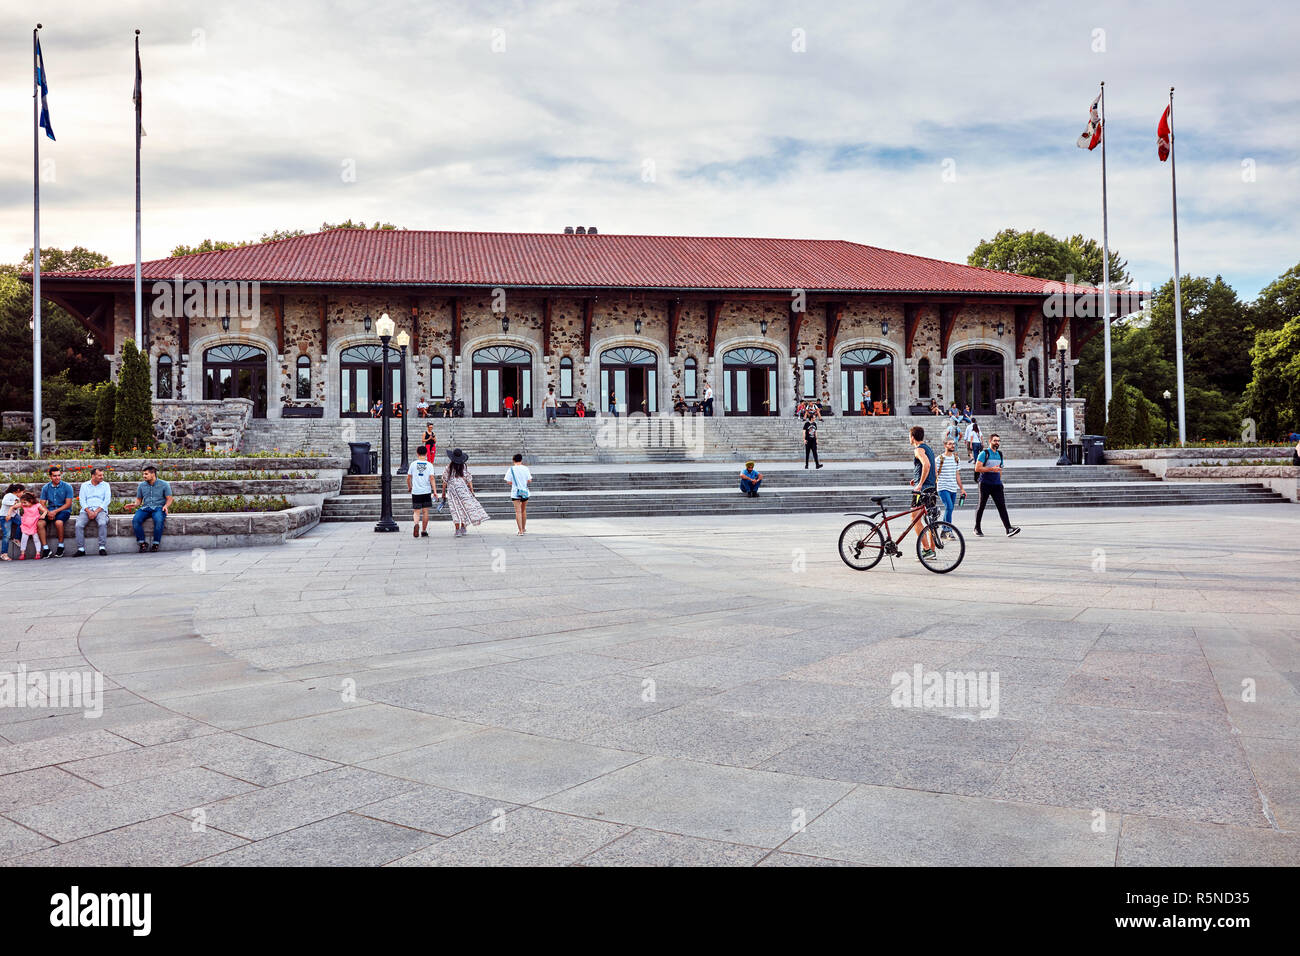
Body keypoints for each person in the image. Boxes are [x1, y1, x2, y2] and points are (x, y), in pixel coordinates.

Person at [974, 433, 1021, 538]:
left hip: (997, 484)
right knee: (981, 506)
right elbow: (977, 468)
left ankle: (1008, 528)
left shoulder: (1000, 454)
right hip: (985, 483)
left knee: (1002, 507)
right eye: (995, 441)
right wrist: (991, 469)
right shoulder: (984, 453)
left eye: (998, 441)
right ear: (990, 441)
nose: (997, 443)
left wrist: (1000, 481)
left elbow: (1000, 469)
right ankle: (977, 528)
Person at [440, 448, 489, 537]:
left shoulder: (448, 467)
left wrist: (443, 493)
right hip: (463, 489)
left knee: (455, 509)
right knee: (464, 508)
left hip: (452, 491)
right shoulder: (464, 466)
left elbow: (444, 481)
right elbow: (468, 478)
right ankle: (463, 527)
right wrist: (472, 490)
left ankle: (457, 529)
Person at [908, 426, 939, 559]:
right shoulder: (929, 449)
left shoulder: (918, 449)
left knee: (915, 518)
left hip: (922, 490)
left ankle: (926, 550)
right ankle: (932, 550)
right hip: (931, 487)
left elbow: (927, 465)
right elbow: (935, 470)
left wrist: (920, 484)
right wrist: (916, 479)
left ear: (912, 437)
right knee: (931, 519)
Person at [129, 465, 173, 553]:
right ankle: (142, 543)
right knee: (136, 520)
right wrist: (134, 505)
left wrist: (166, 506)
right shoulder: (141, 486)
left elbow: (169, 498)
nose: (144, 476)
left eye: (146, 474)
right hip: (146, 507)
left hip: (159, 508)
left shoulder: (164, 484)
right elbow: (139, 501)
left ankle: (155, 544)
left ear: (153, 474)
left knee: (159, 520)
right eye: (143, 474)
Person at [74, 467, 112, 557]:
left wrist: (96, 511)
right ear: (93, 476)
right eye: (99, 475)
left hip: (101, 510)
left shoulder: (105, 485)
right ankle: (81, 549)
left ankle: (102, 547)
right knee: (78, 525)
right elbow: (82, 500)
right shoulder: (85, 485)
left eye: (102, 475)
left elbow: (107, 500)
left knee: (102, 523)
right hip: (86, 510)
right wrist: (88, 511)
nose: (102, 477)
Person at [39, 465, 74, 558]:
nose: (57, 477)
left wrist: (54, 512)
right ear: (50, 476)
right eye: (54, 476)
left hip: (63, 510)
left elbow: (68, 504)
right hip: (49, 510)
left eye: (59, 475)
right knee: (40, 523)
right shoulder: (46, 487)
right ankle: (46, 549)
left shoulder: (67, 486)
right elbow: (41, 503)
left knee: (58, 522)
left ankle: (61, 546)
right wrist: (48, 512)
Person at [935, 438, 966, 538]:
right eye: (950, 444)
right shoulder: (939, 459)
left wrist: (962, 488)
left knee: (950, 509)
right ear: (945, 445)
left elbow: (957, 474)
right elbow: (935, 474)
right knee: (949, 507)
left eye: (953, 444)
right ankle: (948, 530)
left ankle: (944, 531)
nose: (952, 445)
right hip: (943, 487)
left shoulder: (956, 459)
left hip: (953, 487)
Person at [407, 445, 438, 538]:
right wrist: (435, 491)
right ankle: (424, 531)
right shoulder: (429, 465)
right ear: (426, 453)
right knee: (425, 512)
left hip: (416, 491)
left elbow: (408, 477)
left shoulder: (413, 464)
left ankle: (416, 524)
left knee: (416, 511)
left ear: (417, 453)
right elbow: (432, 478)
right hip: (426, 491)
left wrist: (410, 487)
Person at [504, 452, 532, 535]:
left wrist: (515, 484)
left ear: (513, 460)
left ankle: (520, 531)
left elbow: (508, 481)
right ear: (521, 460)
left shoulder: (511, 469)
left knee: (518, 511)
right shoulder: (525, 468)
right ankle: (523, 528)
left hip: (515, 492)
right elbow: (529, 480)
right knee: (523, 510)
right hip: (525, 491)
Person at [13, 492, 46, 560]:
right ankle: (22, 553)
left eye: (24, 502)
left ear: (30, 501)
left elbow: (44, 511)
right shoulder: (24, 505)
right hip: (26, 524)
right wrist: (15, 504)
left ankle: (38, 553)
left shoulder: (37, 505)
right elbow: (14, 506)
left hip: (34, 524)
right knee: (24, 539)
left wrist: (43, 515)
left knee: (36, 539)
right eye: (22, 502)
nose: (23, 504)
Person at [1, 483, 23, 561]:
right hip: (5, 516)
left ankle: (16, 538)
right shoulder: (9, 495)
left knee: (23, 523)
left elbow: (17, 510)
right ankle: (4, 554)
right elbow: (4, 502)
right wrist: (14, 504)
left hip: (14, 516)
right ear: (18, 490)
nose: (22, 494)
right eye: (22, 492)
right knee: (7, 535)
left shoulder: (17, 498)